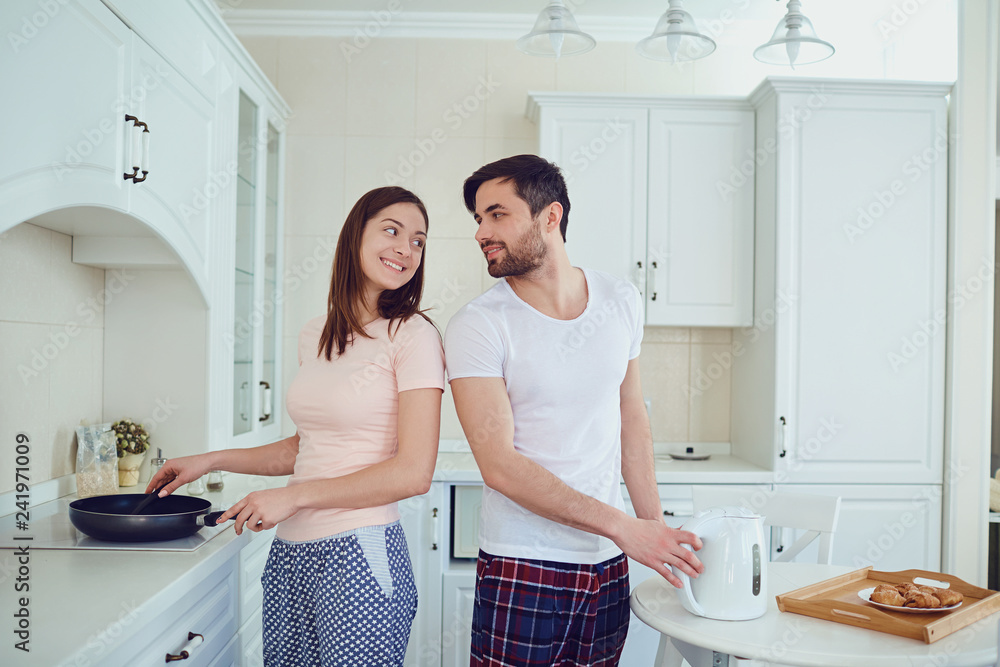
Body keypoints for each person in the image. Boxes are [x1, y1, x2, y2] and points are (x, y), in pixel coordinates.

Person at [147, 186, 445, 667]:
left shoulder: (413, 336)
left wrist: (293, 497)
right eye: (391, 231)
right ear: (355, 236)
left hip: (359, 554)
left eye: (418, 241)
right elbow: (305, 447)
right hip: (290, 552)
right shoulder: (316, 333)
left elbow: (413, 473)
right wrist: (211, 459)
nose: (406, 249)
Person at [444, 155, 704, 666]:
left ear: (550, 216)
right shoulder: (478, 325)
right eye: (478, 218)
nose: (481, 233)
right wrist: (623, 526)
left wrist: (653, 530)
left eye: (497, 214)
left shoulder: (621, 299)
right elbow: (499, 467)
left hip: (607, 564)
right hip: (523, 563)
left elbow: (631, 419)